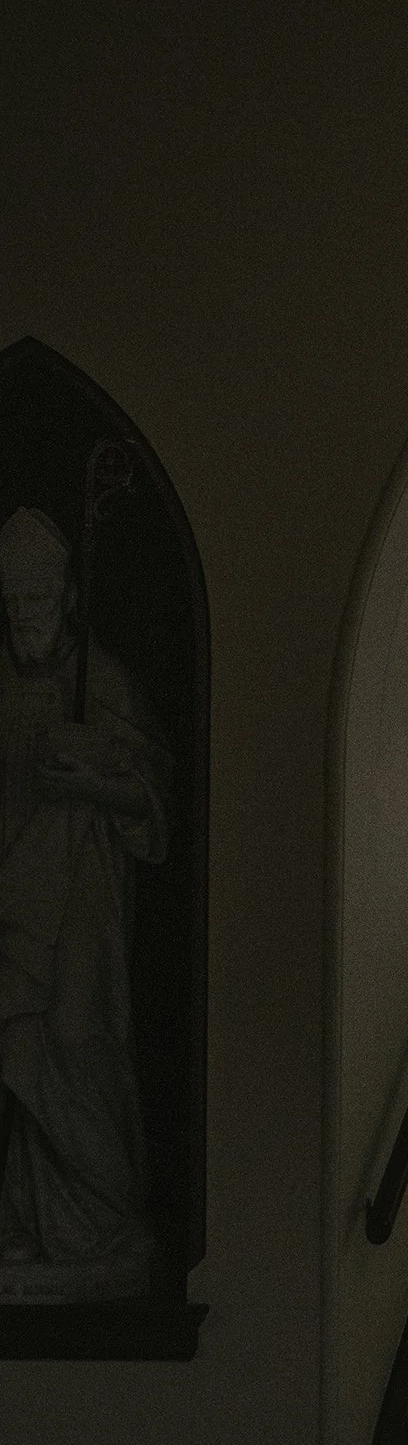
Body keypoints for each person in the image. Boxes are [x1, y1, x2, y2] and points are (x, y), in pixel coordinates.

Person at [0, 507, 170, 1302]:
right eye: (12, 601)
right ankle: (37, 1224)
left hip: (81, 912)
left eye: (37, 598)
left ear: (68, 595)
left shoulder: (100, 681)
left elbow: (150, 797)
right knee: (18, 1049)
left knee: (75, 1042)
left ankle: (100, 1218)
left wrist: (91, 784)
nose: (24, 616)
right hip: (12, 905)